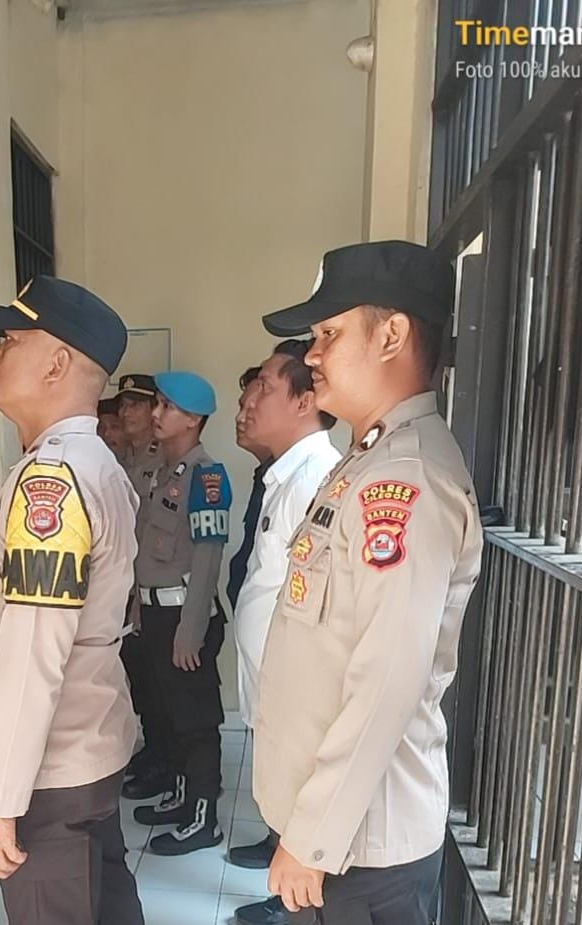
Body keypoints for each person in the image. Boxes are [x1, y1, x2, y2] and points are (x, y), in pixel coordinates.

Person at [248, 240, 482, 925]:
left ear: (392, 335)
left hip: (360, 848)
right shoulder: (367, 459)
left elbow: (388, 678)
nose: (312, 354)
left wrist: (313, 838)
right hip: (341, 837)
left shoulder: (405, 479)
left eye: (328, 333)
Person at [0, 276, 144, 925]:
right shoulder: (91, 463)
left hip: (51, 770)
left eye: (11, 340)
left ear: (57, 363)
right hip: (87, 748)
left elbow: (33, 648)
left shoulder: (53, 478)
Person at [228, 342, 340, 925]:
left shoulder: (315, 478)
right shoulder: (288, 474)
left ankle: (291, 900)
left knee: (301, 794)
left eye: (265, 388)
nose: (249, 400)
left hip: (295, 687)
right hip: (273, 678)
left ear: (304, 401)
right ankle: (283, 870)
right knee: (282, 790)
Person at [131, 371, 231, 856]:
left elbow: (208, 560)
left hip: (184, 617)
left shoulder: (206, 476)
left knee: (195, 720)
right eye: (157, 403)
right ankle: (180, 795)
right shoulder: (157, 471)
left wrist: (191, 631)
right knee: (166, 713)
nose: (157, 413)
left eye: (168, 407)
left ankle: (202, 818)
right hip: (154, 614)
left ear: (193, 420)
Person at [115, 373, 171, 801]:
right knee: (138, 680)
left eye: (136, 404)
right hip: (124, 590)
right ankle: (152, 752)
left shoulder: (164, 459)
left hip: (152, 591)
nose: (126, 412)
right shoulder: (121, 459)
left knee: (159, 684)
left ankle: (165, 764)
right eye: (123, 404)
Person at [225, 367, 272, 611]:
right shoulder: (265, 475)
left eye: (252, 409)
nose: (240, 418)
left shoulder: (302, 479)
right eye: (241, 407)